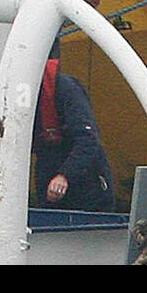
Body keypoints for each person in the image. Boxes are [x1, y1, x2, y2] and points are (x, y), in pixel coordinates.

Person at [32, 56, 116, 212]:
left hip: (87, 185)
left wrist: (65, 175)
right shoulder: (27, 95)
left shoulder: (66, 89)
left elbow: (88, 140)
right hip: (48, 176)